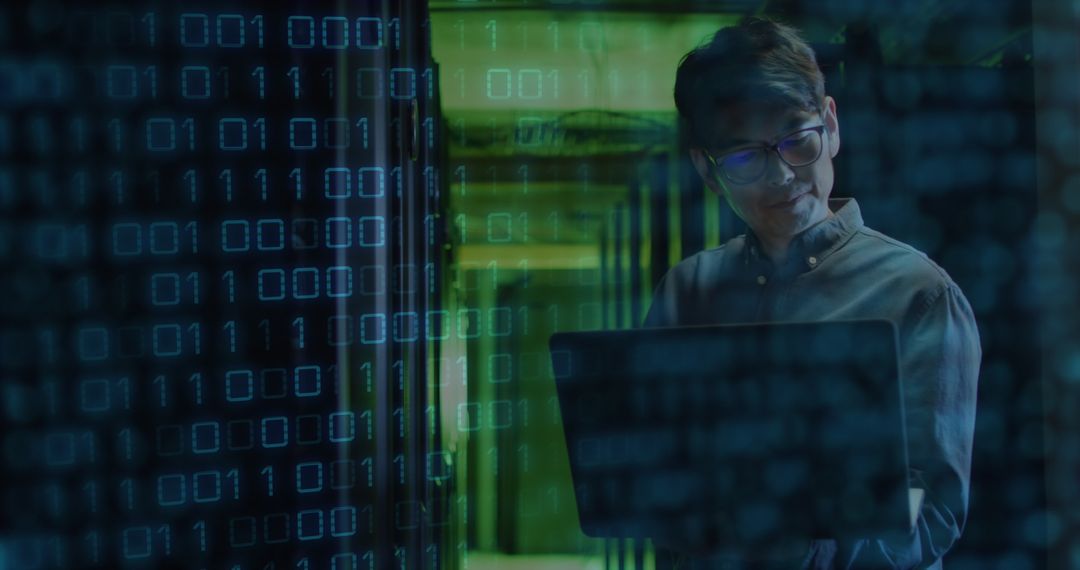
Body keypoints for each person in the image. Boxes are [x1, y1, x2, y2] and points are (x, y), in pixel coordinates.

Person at [643, 16, 982, 570]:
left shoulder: (916, 293)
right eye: (746, 158)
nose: (780, 176)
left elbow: (933, 510)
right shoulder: (687, 290)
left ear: (831, 124)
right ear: (707, 170)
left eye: (797, 141)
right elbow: (649, 476)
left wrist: (801, 548)